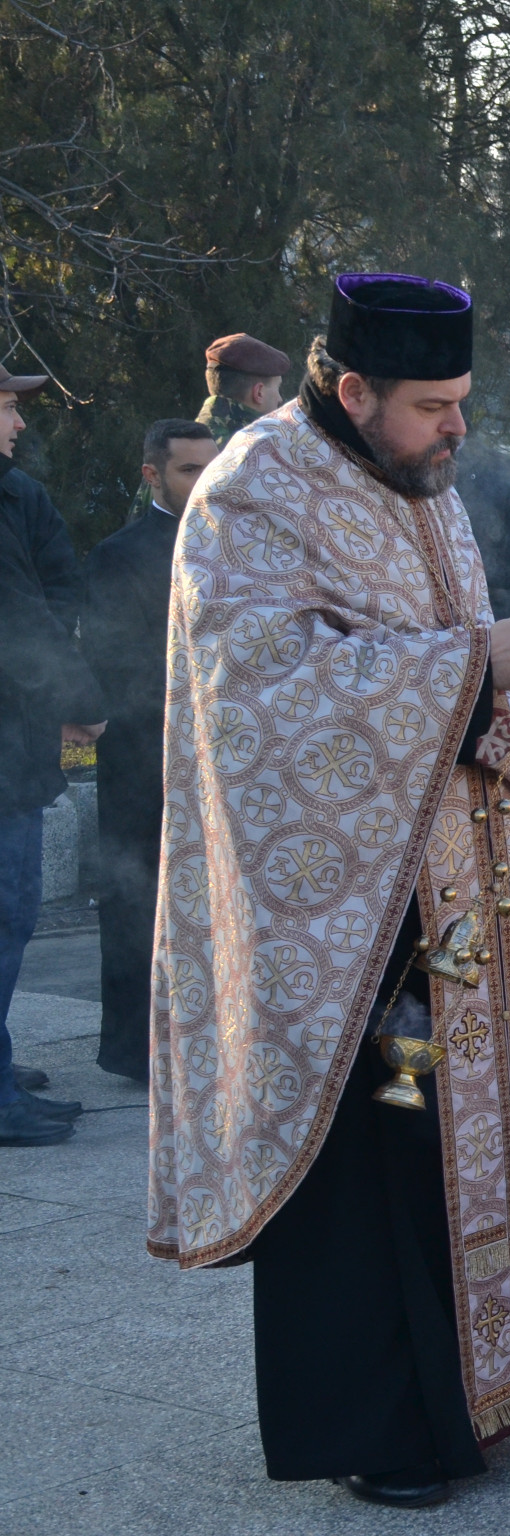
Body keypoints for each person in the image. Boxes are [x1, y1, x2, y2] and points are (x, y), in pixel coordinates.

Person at [147, 274, 510, 1509]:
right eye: (432, 405)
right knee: (374, 1167)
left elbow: (426, 649)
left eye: (462, 403)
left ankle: (474, 1402)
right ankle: (384, 1431)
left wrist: (491, 690)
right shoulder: (256, 488)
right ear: (352, 392)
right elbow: (257, 691)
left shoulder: (418, 482)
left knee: (453, 1147)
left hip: (452, 878)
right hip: (337, 910)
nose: (457, 428)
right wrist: (472, 661)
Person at [79, 420, 218, 1082]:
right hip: (143, 755)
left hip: (221, 752)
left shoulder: (237, 544)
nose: (202, 484)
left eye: (209, 469)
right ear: (152, 475)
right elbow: (114, 661)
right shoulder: (118, 555)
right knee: (138, 900)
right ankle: (138, 1048)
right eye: (189, 470)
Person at [0, 369, 105, 1145]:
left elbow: (53, 590)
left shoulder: (15, 491)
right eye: (5, 407)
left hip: (14, 736)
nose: (15, 423)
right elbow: (20, 614)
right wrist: (78, 696)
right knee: (6, 914)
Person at [194, 332, 293, 442]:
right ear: (259, 392)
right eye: (277, 388)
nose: (280, 399)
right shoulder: (258, 445)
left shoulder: (187, 440)